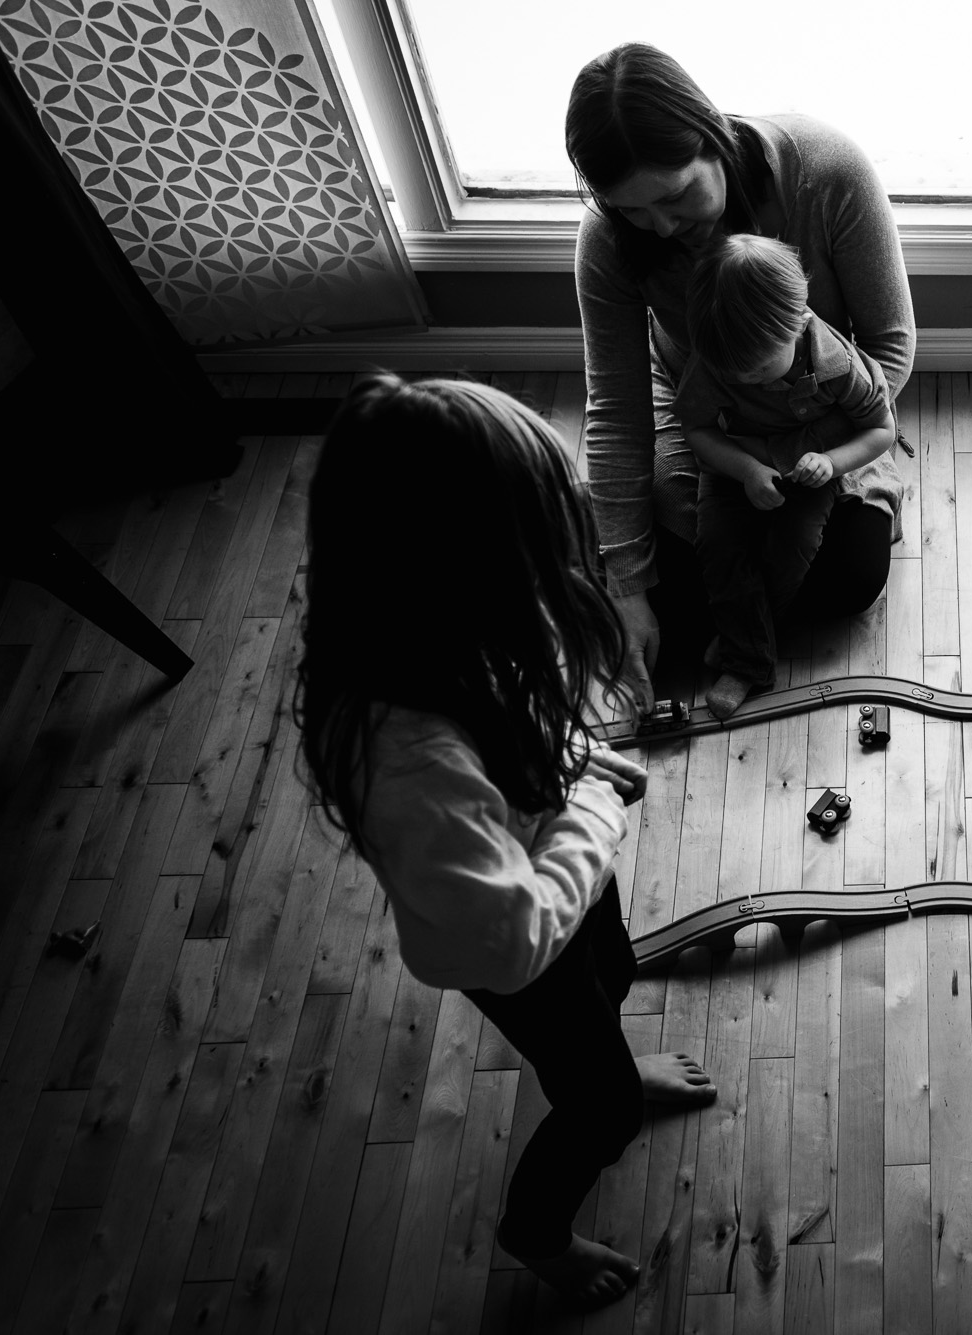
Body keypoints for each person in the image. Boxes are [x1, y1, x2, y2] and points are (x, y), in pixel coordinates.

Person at [296, 375, 717, 1307]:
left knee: (614, 972)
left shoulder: (453, 632)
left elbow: (527, 719)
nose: (554, 567)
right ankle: (537, 1233)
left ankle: (609, 1057)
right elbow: (515, 938)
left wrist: (577, 766)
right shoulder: (407, 757)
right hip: (516, 944)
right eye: (531, 547)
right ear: (457, 565)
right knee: (595, 1109)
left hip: (557, 863)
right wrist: (595, 812)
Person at [568, 43, 914, 710]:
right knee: (684, 571)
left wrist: (807, 450)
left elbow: (890, 350)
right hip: (705, 414)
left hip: (822, 411)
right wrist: (629, 586)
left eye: (674, 196)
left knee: (848, 576)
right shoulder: (608, 240)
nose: (663, 227)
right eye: (633, 212)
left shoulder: (827, 171)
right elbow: (616, 408)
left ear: (710, 134)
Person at [677, 233, 897, 719]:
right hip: (739, 460)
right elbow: (694, 427)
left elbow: (882, 428)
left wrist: (833, 464)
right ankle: (750, 655)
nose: (745, 379)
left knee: (792, 545)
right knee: (717, 546)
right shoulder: (719, 361)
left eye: (757, 369)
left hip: (810, 467)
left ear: (798, 324)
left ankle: (745, 649)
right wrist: (747, 469)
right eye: (734, 373)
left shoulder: (836, 363)